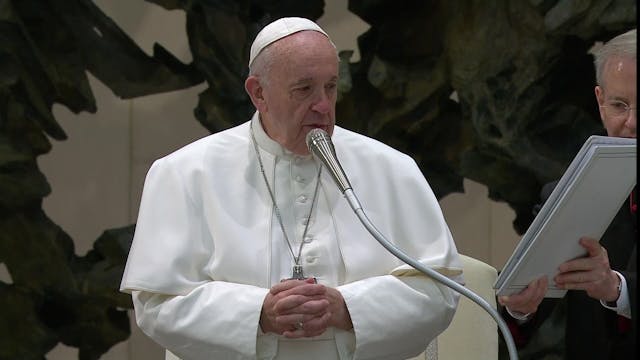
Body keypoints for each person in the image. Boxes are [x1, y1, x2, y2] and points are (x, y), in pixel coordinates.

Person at [120, 17, 462, 360]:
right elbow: (157, 304)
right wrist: (257, 314)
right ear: (258, 93)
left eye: (330, 87)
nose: (324, 106)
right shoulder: (185, 172)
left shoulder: (391, 168)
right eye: (304, 89)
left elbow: (439, 291)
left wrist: (348, 309)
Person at [498, 28, 636, 359]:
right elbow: (511, 324)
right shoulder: (569, 192)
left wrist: (618, 288)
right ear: (600, 102)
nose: (632, 123)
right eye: (620, 105)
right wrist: (520, 306)